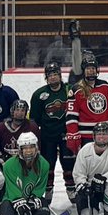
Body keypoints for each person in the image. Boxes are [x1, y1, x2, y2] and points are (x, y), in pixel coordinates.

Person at [30, 61, 75, 201]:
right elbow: (34, 119)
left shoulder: (70, 90)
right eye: (50, 75)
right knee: (48, 164)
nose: (53, 77)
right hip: (47, 135)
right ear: (46, 77)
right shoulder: (39, 94)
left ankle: (71, 189)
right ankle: (48, 189)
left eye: (55, 74)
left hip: (66, 134)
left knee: (68, 163)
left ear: (60, 75)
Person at [0, 131, 51, 215]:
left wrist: (33, 199)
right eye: (25, 148)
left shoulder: (44, 164)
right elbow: (12, 188)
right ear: (20, 149)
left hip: (32, 199)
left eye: (31, 147)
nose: (28, 151)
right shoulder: (9, 165)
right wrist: (19, 203)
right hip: (12, 200)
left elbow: (40, 187)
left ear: (36, 147)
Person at [66, 53, 108, 154]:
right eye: (88, 69)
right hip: (86, 136)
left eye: (93, 68)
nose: (91, 71)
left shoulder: (106, 86)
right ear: (83, 71)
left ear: (97, 70)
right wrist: (73, 132)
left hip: (105, 134)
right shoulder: (76, 89)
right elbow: (71, 115)